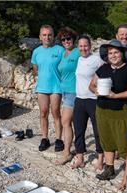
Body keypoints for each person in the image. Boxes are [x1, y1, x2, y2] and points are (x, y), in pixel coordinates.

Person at [89, 39, 127, 180]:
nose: (113, 55)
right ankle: (109, 168)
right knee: (107, 140)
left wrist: (116, 96)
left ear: (122, 53)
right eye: (110, 53)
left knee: (125, 142)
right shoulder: (103, 68)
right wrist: (96, 91)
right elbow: (91, 85)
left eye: (116, 52)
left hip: (121, 111)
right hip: (102, 110)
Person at [71, 35, 105, 169]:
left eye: (85, 45)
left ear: (90, 46)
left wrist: (100, 91)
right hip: (79, 99)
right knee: (79, 129)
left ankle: (100, 158)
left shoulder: (97, 60)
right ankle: (80, 157)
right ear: (77, 47)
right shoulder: (78, 59)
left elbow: (105, 76)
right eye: (80, 46)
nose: (83, 48)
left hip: (93, 100)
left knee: (98, 130)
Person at [31, 25, 64, 152]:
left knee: (56, 112)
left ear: (53, 36)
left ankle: (59, 139)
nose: (47, 37)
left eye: (49, 34)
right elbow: (35, 68)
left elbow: (64, 67)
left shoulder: (60, 50)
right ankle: (45, 138)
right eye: (44, 35)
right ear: (40, 37)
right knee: (43, 112)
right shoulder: (36, 51)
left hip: (56, 86)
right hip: (42, 87)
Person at [55, 27, 80, 165]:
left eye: (68, 38)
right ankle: (77, 147)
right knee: (72, 122)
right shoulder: (64, 53)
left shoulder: (77, 52)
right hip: (65, 91)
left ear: (73, 39)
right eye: (63, 39)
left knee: (65, 122)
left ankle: (66, 153)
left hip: (74, 91)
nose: (66, 41)